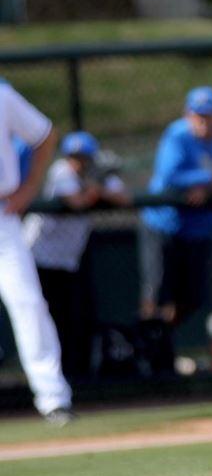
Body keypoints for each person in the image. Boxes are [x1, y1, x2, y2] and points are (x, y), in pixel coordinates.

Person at [138, 87, 212, 364]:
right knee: (157, 291)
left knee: (193, 296)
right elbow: (169, 174)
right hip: (164, 223)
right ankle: (150, 353)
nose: (204, 121)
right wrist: (207, 178)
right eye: (198, 115)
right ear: (188, 115)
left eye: (209, 115)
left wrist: (207, 187)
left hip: (200, 227)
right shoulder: (177, 135)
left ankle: (158, 340)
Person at [23, 132, 130, 382]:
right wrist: (96, 191)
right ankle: (48, 377)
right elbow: (77, 202)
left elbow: (124, 198)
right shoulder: (61, 171)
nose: (78, 163)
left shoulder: (96, 175)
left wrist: (98, 187)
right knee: (45, 320)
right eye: (74, 157)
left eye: (83, 158)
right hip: (39, 257)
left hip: (68, 261)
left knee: (74, 319)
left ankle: (74, 374)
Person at [0, 80, 74, 424]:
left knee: (28, 303)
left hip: (3, 217)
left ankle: (53, 398)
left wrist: (29, 188)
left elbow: (44, 134)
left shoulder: (1, 94)